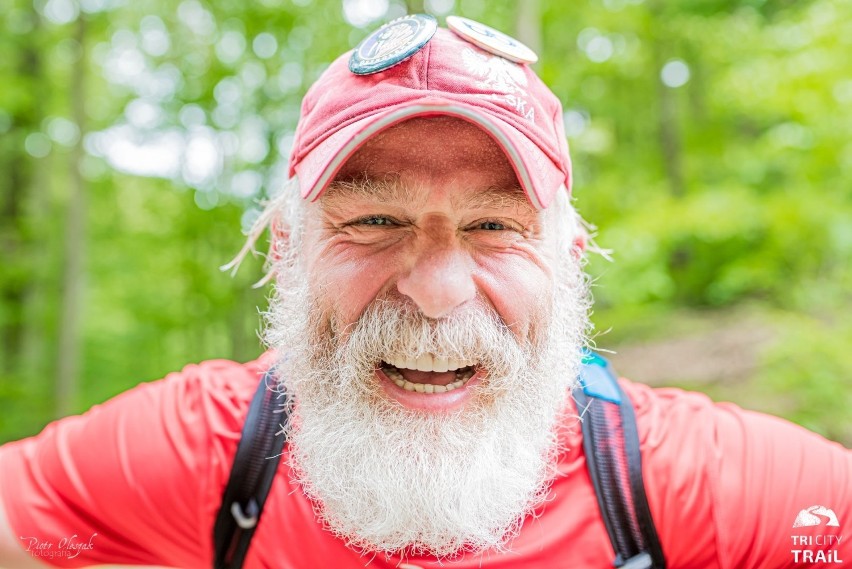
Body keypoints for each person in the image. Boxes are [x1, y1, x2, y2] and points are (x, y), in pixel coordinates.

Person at [0, 14, 849, 569]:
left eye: (494, 227)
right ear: (288, 252)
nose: (437, 292)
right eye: (372, 221)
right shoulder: (209, 450)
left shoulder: (683, 482)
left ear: (570, 260)